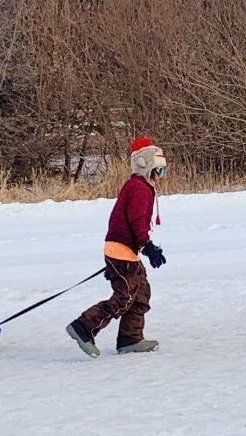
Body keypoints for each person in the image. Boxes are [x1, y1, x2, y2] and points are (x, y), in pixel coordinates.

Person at [66, 137, 167, 357]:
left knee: (140, 293)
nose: (159, 177)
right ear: (145, 166)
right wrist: (148, 246)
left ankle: (130, 339)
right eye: (157, 171)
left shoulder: (140, 187)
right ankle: (83, 327)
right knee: (124, 297)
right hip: (121, 250)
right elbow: (136, 220)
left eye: (162, 172)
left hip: (127, 251)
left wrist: (144, 247)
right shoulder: (138, 188)